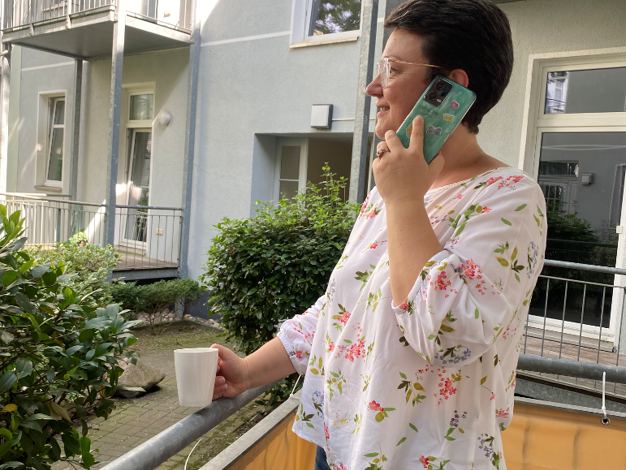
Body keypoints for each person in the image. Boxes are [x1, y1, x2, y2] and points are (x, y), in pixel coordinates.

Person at [210, 0, 547, 468]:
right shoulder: (388, 189)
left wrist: (406, 201)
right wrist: (247, 371)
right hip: (340, 447)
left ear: (449, 89)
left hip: (425, 458)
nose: (372, 87)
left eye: (392, 69)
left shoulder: (510, 198)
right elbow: (341, 310)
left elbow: (448, 338)